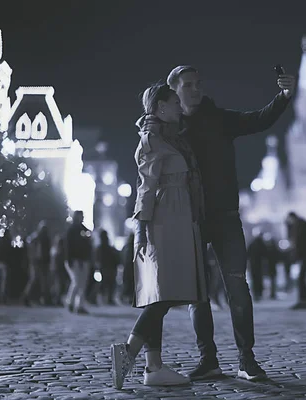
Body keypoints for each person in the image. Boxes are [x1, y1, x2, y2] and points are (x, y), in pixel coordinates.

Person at [166, 65, 295, 381]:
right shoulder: (169, 127)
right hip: (192, 218)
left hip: (225, 215)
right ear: (175, 91)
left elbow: (258, 119)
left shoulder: (218, 118)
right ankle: (208, 359)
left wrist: (284, 95)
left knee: (237, 286)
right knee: (197, 294)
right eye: (188, 85)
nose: (195, 89)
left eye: (198, 83)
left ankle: (246, 359)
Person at [110, 83, 208, 389]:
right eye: (175, 103)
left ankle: (153, 367)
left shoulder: (170, 138)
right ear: (161, 107)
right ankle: (128, 353)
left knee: (163, 292)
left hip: (178, 218)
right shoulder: (153, 139)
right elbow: (146, 186)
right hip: (165, 220)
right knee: (167, 292)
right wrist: (141, 227)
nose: (180, 107)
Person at [64, 210, 93, 314]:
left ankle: (78, 305)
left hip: (83, 259)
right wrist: (69, 259)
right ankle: (71, 303)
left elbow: (88, 246)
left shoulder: (84, 230)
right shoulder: (71, 230)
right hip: (75, 259)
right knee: (77, 282)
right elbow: (68, 246)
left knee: (82, 283)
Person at [285, 212, 306, 310]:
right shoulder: (301, 225)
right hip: (305, 256)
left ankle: (304, 301)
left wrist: (297, 256)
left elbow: (297, 242)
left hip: (304, 256)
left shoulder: (299, 226)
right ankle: (303, 300)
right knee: (301, 278)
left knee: (301, 278)